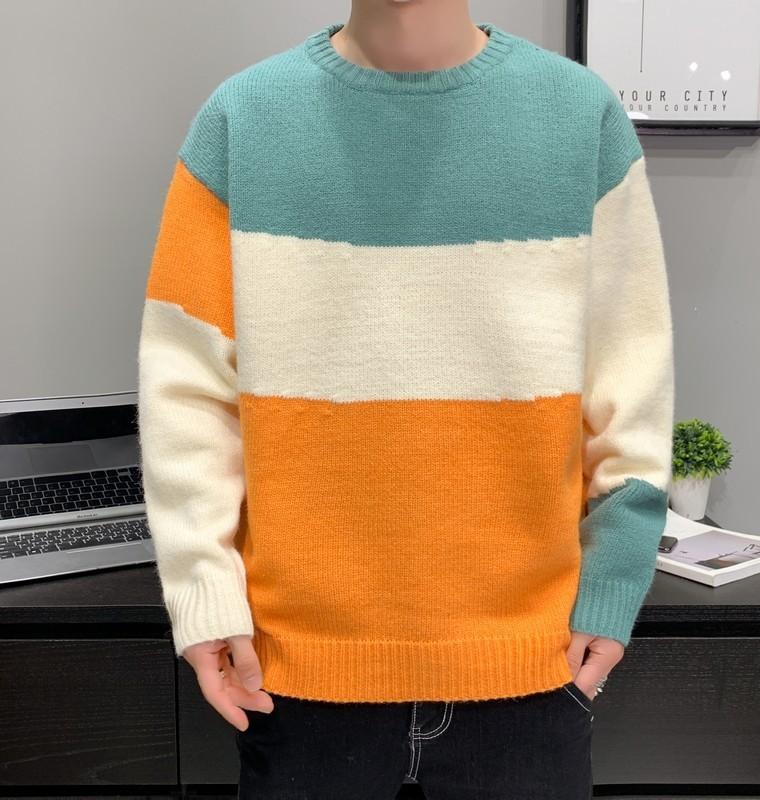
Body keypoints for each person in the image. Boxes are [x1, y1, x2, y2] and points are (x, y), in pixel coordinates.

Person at [136, 0, 675, 797]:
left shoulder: (577, 115)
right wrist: (203, 592)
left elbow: (632, 372)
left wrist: (616, 578)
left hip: (532, 667)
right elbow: (187, 392)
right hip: (296, 677)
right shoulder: (242, 120)